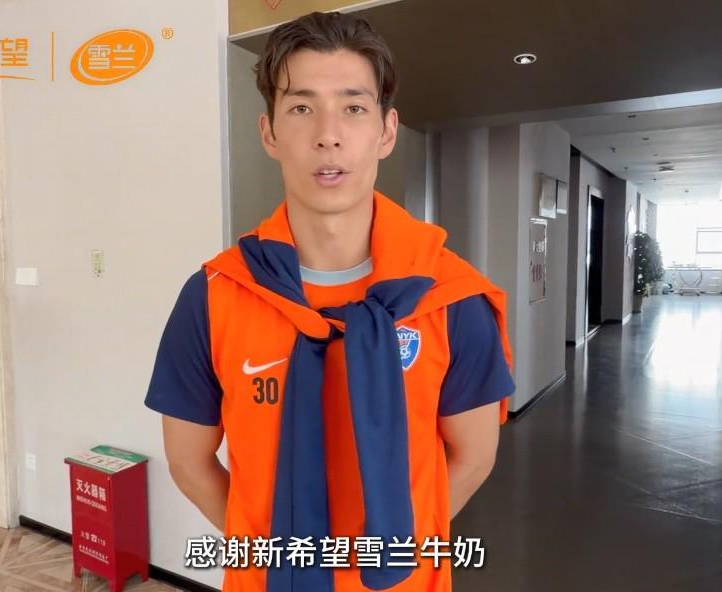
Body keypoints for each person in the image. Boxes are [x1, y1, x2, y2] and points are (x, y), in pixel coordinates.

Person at [145, 11, 515, 592]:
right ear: (269, 132)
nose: (328, 134)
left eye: (354, 107)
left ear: (386, 131)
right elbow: (189, 463)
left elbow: (473, 458)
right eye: (301, 108)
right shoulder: (214, 296)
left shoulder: (449, 295)